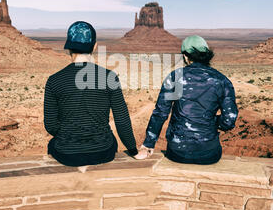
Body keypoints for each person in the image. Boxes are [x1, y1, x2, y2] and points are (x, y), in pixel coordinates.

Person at [44, 21, 143, 166]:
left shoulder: (54, 80)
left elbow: (51, 125)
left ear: (68, 47)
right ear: (95, 46)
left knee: (52, 144)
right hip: (103, 152)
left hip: (67, 155)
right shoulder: (109, 77)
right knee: (111, 139)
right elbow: (122, 121)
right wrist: (134, 151)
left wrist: (70, 135)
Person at [135, 35, 238, 164]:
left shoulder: (175, 77)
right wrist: (209, 121)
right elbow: (229, 121)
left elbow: (160, 113)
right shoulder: (222, 80)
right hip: (209, 153)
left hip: (177, 152)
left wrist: (148, 144)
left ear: (185, 56)